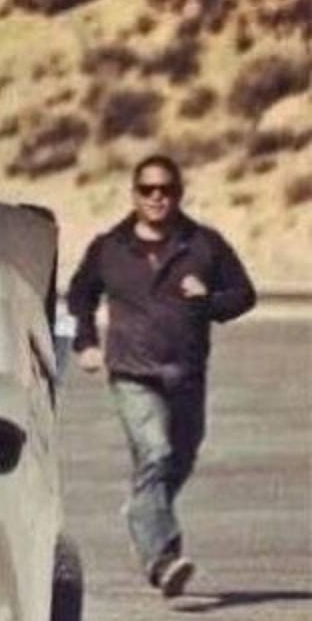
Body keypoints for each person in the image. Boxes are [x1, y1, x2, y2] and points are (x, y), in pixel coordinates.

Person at [66, 154, 256, 598]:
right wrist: (85, 341)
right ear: (134, 194)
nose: (157, 197)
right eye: (147, 189)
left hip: (187, 374)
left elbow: (244, 295)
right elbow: (80, 295)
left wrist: (208, 300)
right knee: (156, 452)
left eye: (166, 189)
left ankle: (141, 510)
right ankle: (161, 561)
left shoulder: (204, 244)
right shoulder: (109, 247)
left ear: (178, 194)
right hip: (133, 372)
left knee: (180, 460)